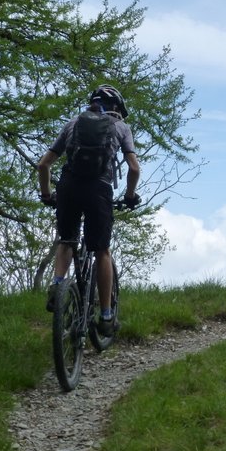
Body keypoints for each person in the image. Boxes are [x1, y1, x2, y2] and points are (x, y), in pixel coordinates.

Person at [37, 84, 140, 336]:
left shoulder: (73, 123)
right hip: (99, 190)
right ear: (116, 108)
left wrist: (47, 195)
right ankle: (106, 317)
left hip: (69, 187)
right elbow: (134, 168)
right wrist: (129, 196)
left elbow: (44, 165)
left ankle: (57, 285)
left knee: (67, 239)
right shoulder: (121, 127)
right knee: (102, 250)